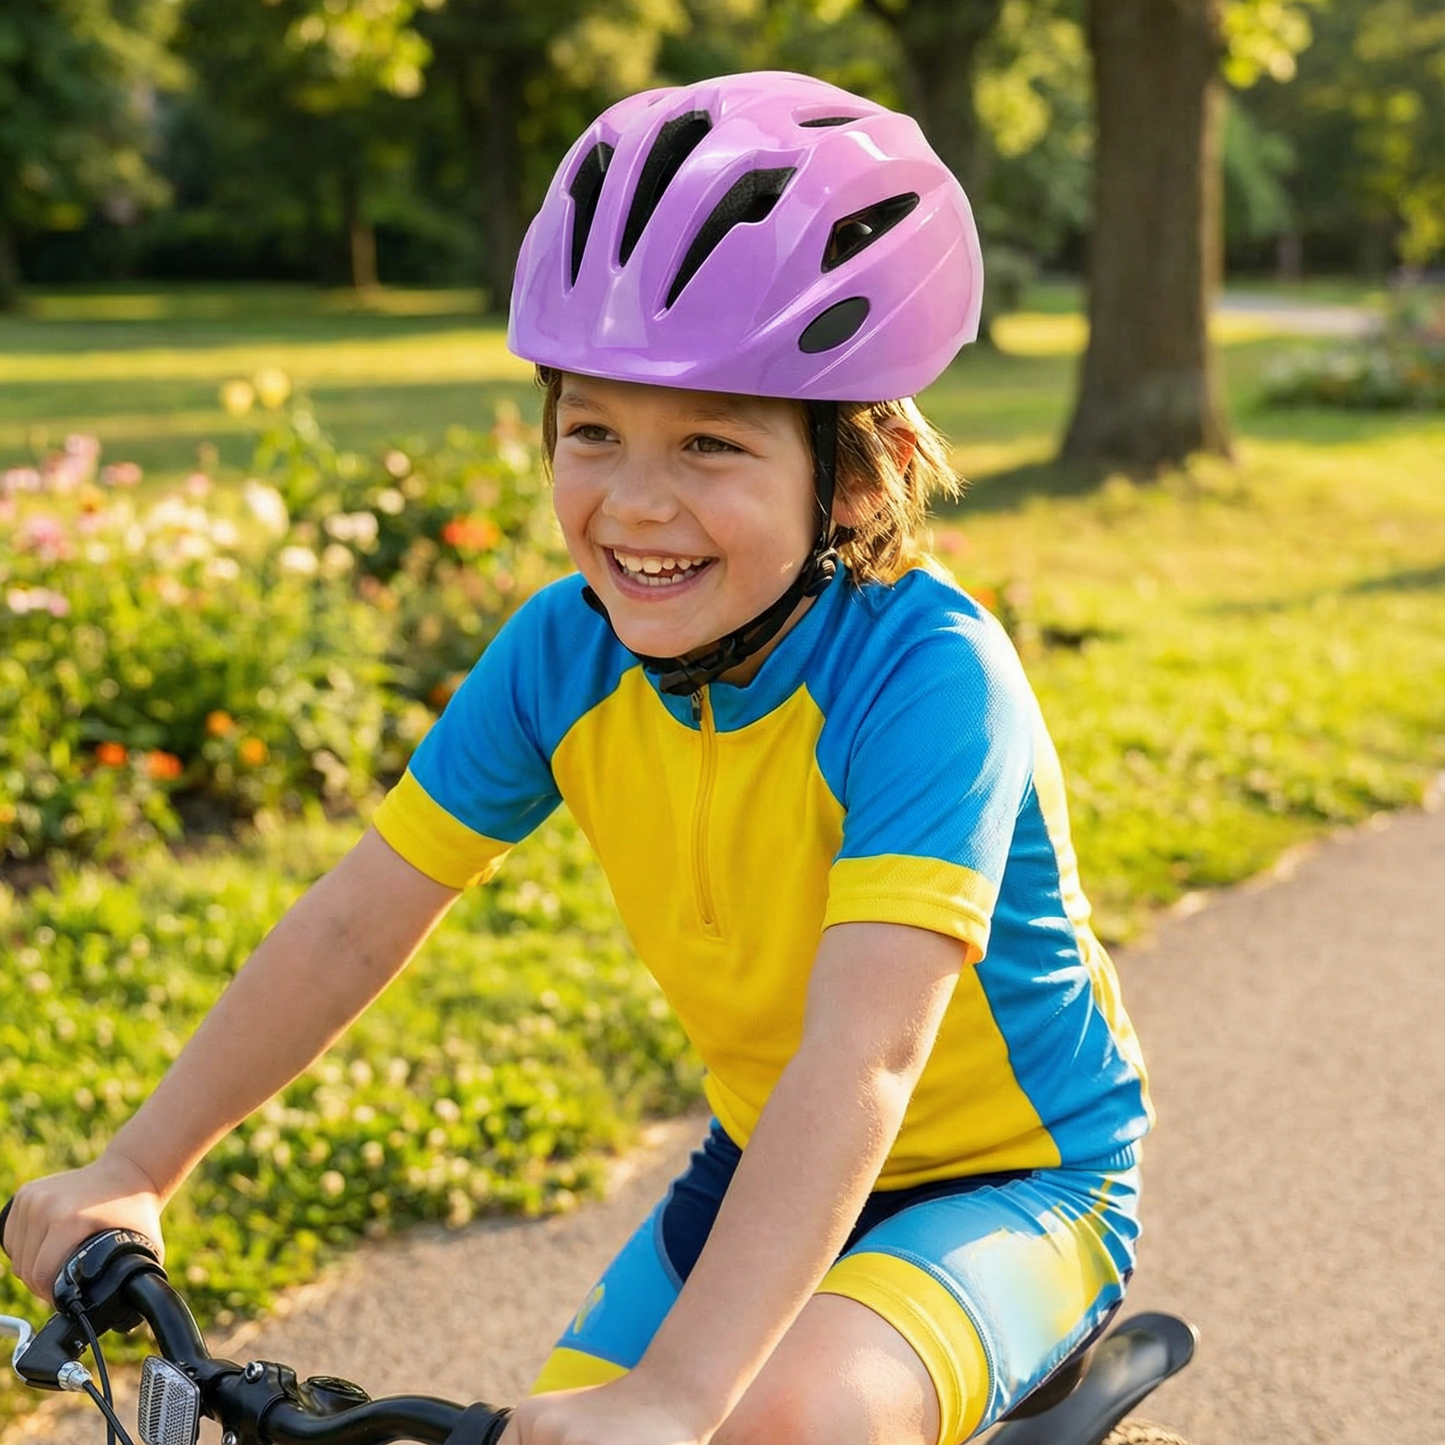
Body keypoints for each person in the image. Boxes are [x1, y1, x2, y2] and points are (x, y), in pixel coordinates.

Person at [3, 71, 1152, 1445]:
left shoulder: (929, 678)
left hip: (1016, 1183)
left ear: (855, 474)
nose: (635, 502)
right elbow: (355, 928)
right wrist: (139, 1161)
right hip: (757, 1167)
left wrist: (677, 1395)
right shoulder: (565, 653)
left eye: (711, 443)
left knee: (778, 1422)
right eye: (592, 430)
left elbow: (864, 1058)